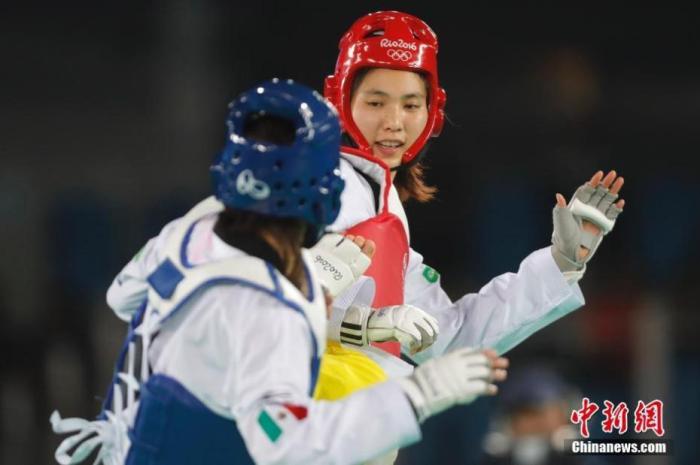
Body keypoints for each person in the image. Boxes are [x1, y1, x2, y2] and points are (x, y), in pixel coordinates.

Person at [51, 79, 509, 465]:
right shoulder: (273, 312)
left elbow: (122, 296)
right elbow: (287, 443)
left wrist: (317, 293)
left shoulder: (185, 233)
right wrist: (419, 395)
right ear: (322, 188)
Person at [315, 9, 625, 390]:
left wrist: (560, 262)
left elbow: (449, 337)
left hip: (362, 432)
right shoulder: (310, 185)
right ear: (341, 102)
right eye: (376, 103)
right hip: (297, 428)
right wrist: (365, 323)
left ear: (432, 114)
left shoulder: (384, 208)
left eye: (411, 105)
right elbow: (254, 300)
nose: (394, 121)